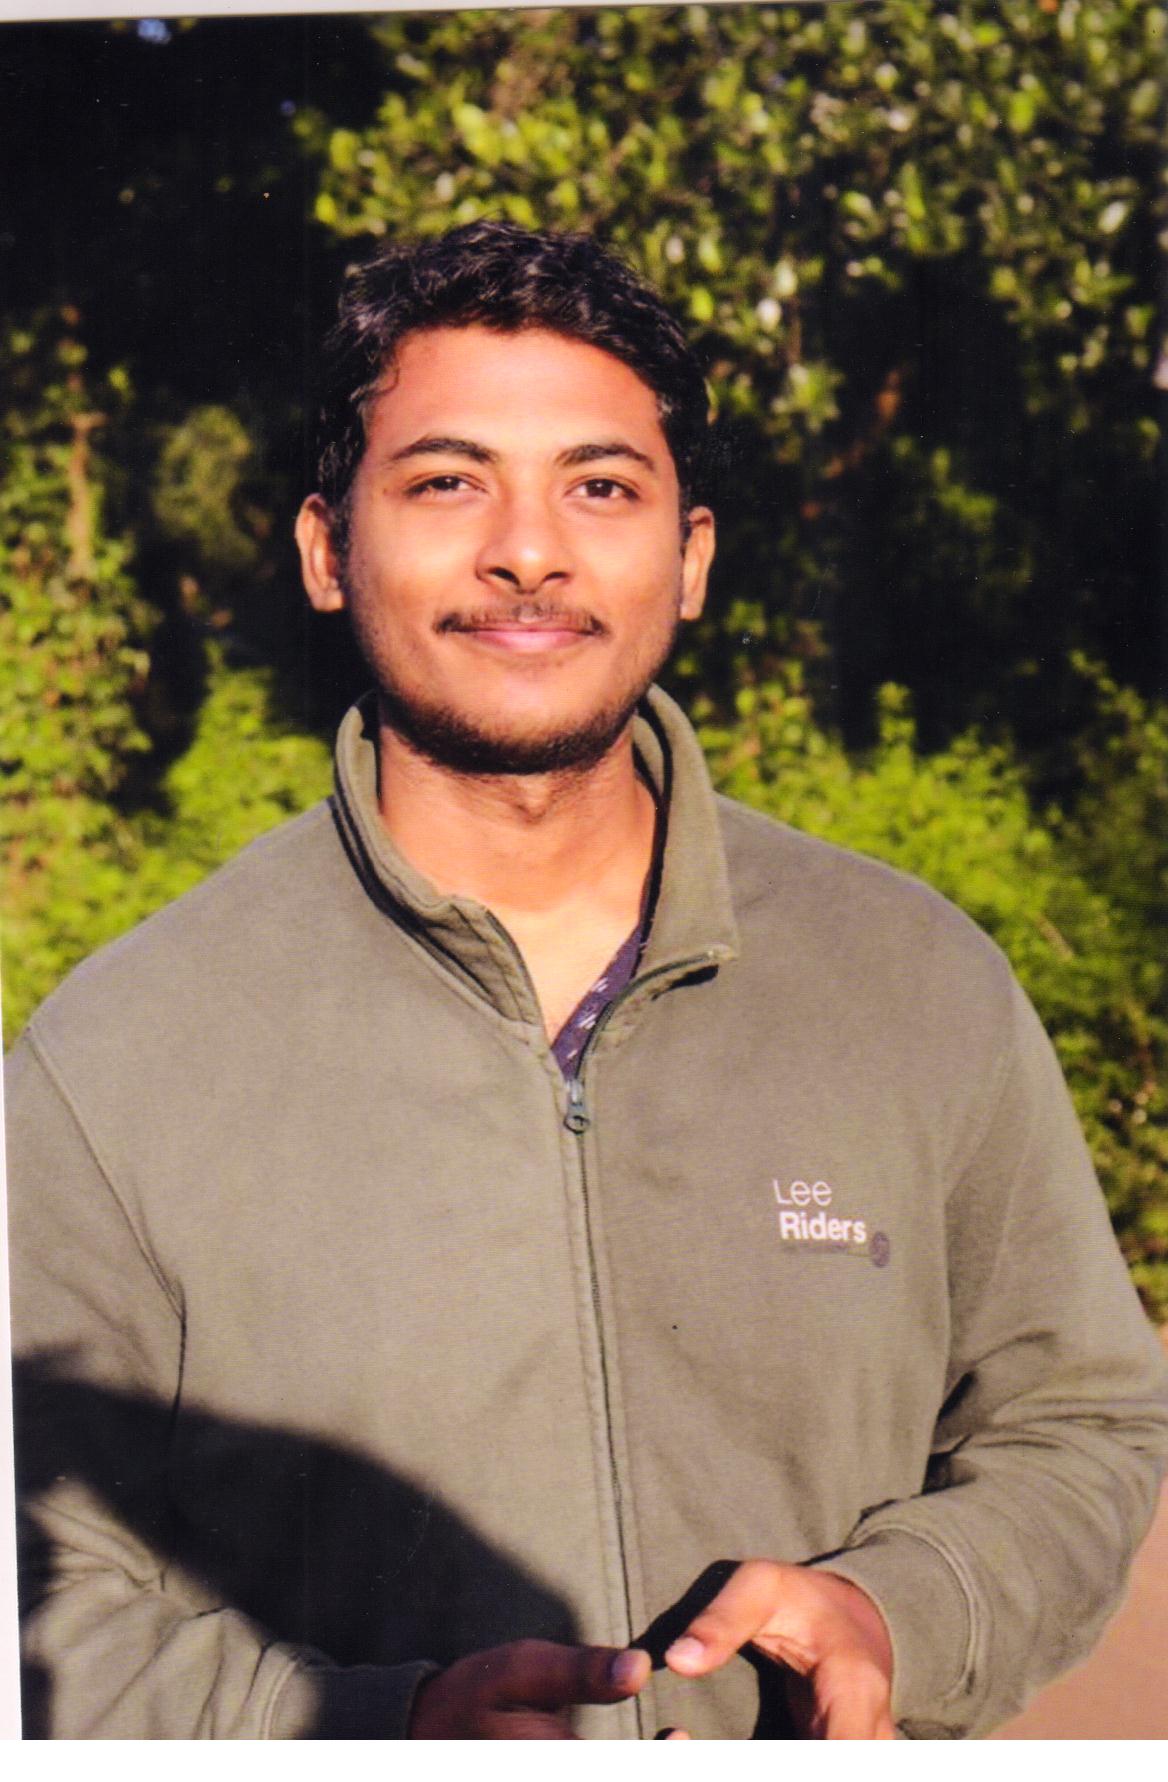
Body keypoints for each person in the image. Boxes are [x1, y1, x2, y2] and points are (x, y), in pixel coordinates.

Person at [6, 221, 1167, 1742]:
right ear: (325, 549)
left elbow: (1078, 1421)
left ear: (691, 558)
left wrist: (905, 1610)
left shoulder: (916, 982)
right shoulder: (118, 1058)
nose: (529, 550)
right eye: (447, 481)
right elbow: (36, 1581)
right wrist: (360, 1730)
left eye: (601, 487)